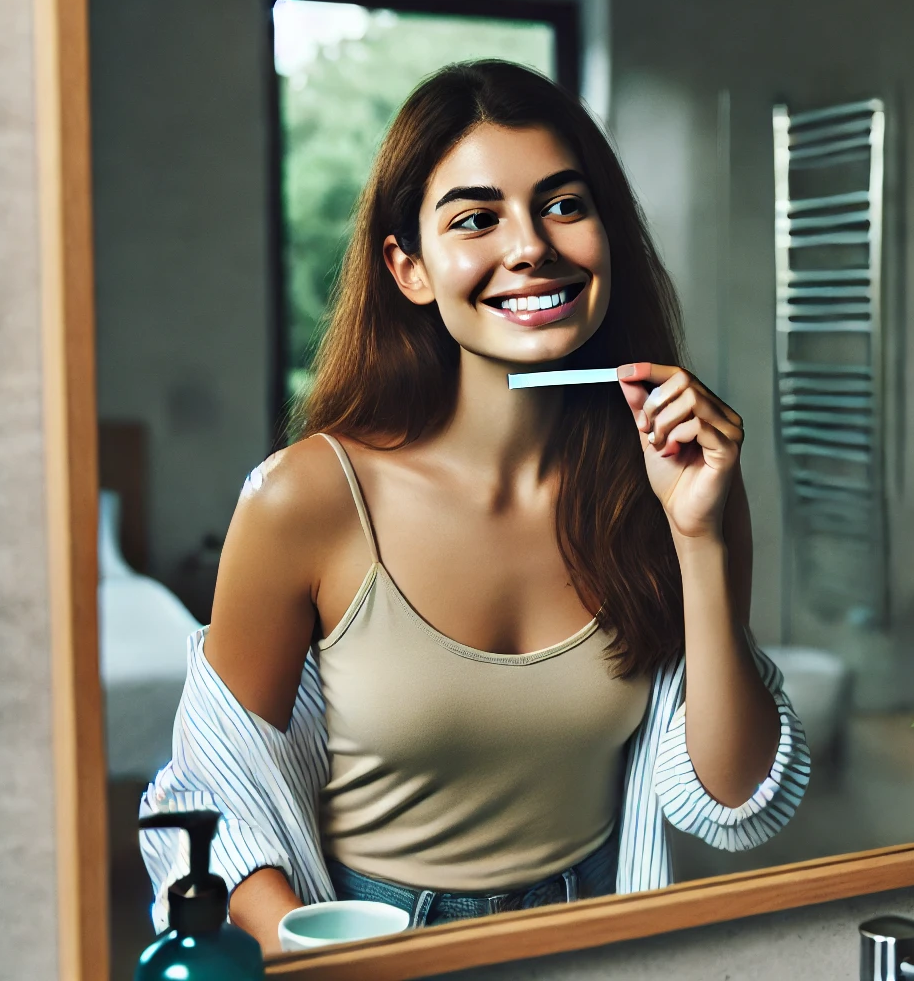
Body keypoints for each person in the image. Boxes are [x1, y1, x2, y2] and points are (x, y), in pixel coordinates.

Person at [140, 60, 808, 953]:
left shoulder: (677, 482)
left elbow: (734, 800)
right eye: (477, 219)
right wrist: (318, 951)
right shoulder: (306, 499)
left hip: (599, 938)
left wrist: (699, 536)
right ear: (408, 267)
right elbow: (212, 794)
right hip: (368, 944)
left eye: (565, 205)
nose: (530, 245)